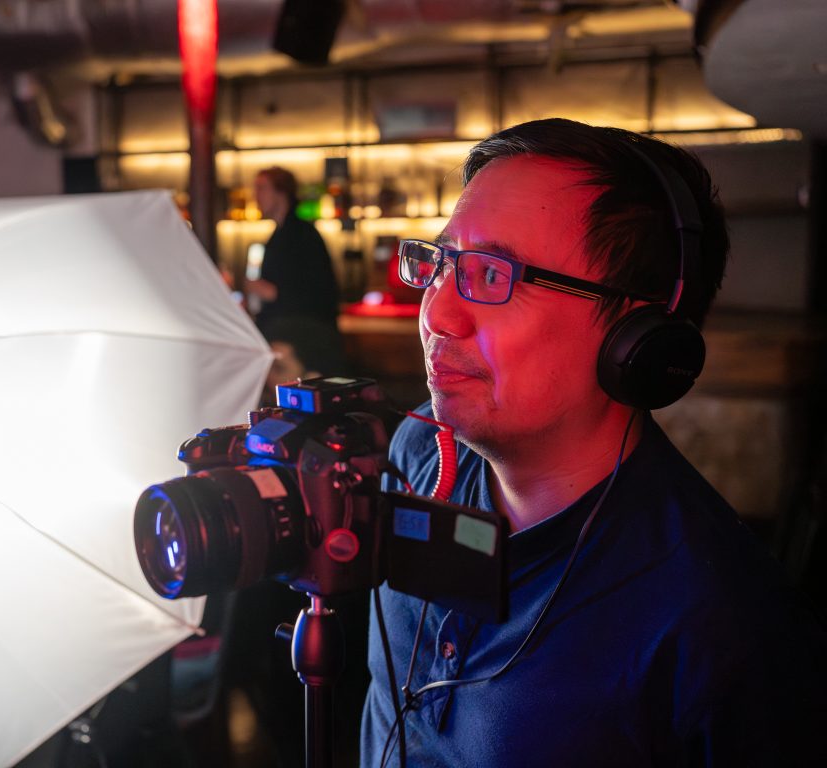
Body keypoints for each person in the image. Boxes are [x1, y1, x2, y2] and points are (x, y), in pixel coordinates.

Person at [360, 118, 827, 766]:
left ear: (634, 341)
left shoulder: (717, 625)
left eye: (491, 275)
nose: (437, 313)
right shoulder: (416, 453)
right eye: (439, 263)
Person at [247, 166, 341, 334]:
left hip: (304, 337)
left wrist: (272, 293)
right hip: (289, 331)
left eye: (262, 188)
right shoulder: (278, 235)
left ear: (281, 192)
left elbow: (320, 295)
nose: (256, 196)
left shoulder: (304, 235)